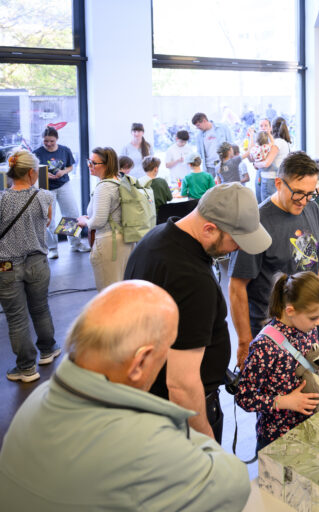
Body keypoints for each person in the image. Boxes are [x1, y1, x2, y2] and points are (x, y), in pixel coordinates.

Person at [0, 281, 251, 511]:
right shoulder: (146, 441)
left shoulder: (36, 400)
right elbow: (235, 485)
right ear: (139, 361)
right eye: (166, 350)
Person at [125, 183, 272, 442]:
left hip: (147, 399)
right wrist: (207, 446)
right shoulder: (191, 278)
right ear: (209, 229)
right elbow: (181, 385)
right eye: (236, 241)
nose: (238, 249)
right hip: (182, 411)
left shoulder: (155, 238)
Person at [228, 151, 319, 405]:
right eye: (298, 192)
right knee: (282, 405)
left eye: (310, 193)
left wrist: (315, 310)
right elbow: (236, 287)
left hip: (307, 323)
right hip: (273, 330)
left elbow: (314, 260)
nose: (304, 200)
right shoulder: (259, 222)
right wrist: (243, 342)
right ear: (278, 183)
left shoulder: (313, 209)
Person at [236, 271, 319, 451]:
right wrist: (285, 401)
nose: (318, 323)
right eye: (313, 317)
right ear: (290, 310)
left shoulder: (307, 329)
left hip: (307, 428)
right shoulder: (264, 347)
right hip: (277, 439)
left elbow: (316, 364)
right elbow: (245, 397)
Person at [0, 150, 59, 383]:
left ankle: (26, 368)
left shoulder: (2, 200)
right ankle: (48, 350)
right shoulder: (45, 197)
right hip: (37, 261)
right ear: (32, 172)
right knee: (40, 307)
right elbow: (47, 223)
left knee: (16, 318)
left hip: (6, 265)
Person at [76, 147, 134, 291]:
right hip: (124, 239)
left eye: (93, 163)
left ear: (106, 165)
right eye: (89, 162)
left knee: (108, 292)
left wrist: (85, 222)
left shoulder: (104, 187)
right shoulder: (119, 181)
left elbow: (98, 222)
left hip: (109, 243)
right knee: (121, 286)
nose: (90, 166)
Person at [32, 126, 90, 258]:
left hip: (64, 185)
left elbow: (70, 166)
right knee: (48, 219)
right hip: (45, 188)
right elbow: (33, 170)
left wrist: (63, 171)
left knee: (71, 214)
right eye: (45, 141)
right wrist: (44, 174)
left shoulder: (65, 150)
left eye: (51, 141)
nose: (48, 143)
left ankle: (75, 244)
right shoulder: (37, 153)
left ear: (57, 139)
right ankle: (52, 248)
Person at [252, 117, 291, 199]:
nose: (263, 128)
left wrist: (256, 164)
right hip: (277, 179)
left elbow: (266, 163)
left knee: (266, 208)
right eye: (261, 125)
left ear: (271, 127)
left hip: (270, 179)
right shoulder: (284, 142)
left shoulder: (276, 143)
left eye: (266, 125)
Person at [192, 112, 234, 177]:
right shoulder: (199, 136)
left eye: (198, 125)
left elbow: (231, 143)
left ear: (204, 121)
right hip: (209, 166)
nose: (197, 128)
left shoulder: (222, 128)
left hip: (224, 163)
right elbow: (199, 152)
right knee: (210, 186)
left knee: (226, 184)